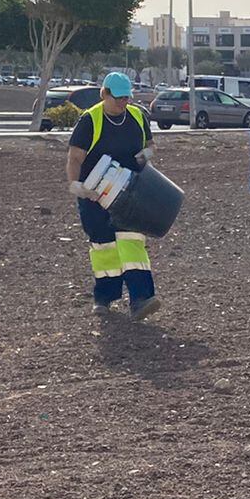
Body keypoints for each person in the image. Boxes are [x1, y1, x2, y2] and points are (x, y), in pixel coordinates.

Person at [67, 71, 159, 321]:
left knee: (132, 240)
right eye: (118, 98)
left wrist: (146, 155)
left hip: (128, 190)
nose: (123, 103)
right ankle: (104, 298)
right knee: (103, 245)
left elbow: (150, 144)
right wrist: (76, 184)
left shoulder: (138, 116)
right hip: (95, 193)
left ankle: (142, 299)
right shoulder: (91, 120)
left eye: (126, 98)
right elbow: (76, 156)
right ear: (104, 94)